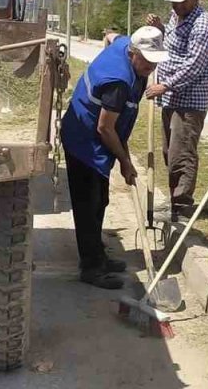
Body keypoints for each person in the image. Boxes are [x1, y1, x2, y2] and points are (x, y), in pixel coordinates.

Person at [60, 26, 169, 289]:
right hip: (83, 140)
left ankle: (97, 254)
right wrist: (125, 161)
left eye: (155, 60)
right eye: (146, 60)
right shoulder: (118, 82)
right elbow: (105, 128)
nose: (150, 66)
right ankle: (91, 268)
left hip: (96, 136)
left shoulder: (124, 45)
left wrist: (124, 158)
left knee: (101, 200)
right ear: (132, 53)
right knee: (89, 205)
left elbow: (110, 35)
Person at [145, 0, 208, 218]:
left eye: (181, 2)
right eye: (173, 2)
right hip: (171, 99)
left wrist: (164, 85)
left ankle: (182, 207)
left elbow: (194, 65)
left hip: (189, 101)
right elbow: (173, 46)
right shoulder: (178, 16)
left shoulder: (203, 25)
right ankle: (175, 201)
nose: (175, 6)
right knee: (170, 152)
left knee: (182, 153)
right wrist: (160, 30)